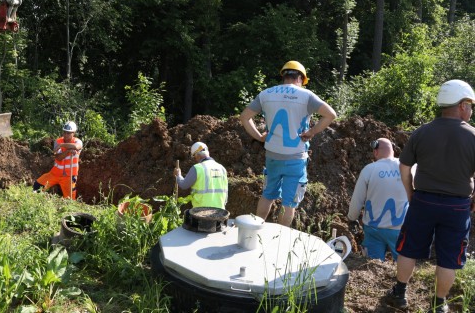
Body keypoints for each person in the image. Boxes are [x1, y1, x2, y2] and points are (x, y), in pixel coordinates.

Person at [385, 79, 475, 313]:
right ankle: (439, 304)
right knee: (448, 258)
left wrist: (411, 194)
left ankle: (400, 293)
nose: (472, 110)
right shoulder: (473, 136)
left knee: (409, 248)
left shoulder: (422, 132)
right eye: (471, 105)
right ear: (463, 105)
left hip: (423, 201)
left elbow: (404, 168)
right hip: (457, 206)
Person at [240, 60, 336, 227]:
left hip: (272, 155)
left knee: (268, 194)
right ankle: (281, 239)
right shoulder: (306, 96)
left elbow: (244, 117)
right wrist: (311, 132)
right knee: (289, 203)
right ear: (300, 78)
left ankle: (255, 230)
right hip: (295, 158)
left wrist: (258, 136)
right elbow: (331, 115)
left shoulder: (266, 94)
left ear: (283, 76)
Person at [347, 138, 408, 261]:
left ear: (375, 152)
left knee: (372, 266)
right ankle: (402, 280)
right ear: (393, 151)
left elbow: (357, 199)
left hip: (373, 229)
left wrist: (352, 218)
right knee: (404, 263)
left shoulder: (369, 169)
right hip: (400, 229)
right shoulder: (408, 167)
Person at [33, 121, 83, 200]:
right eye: (65, 132)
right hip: (55, 173)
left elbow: (77, 147)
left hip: (69, 177)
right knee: (37, 185)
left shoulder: (77, 141)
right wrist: (68, 151)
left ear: (73, 133)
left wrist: (62, 145)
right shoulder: (58, 141)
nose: (66, 135)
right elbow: (58, 157)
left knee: (70, 200)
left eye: (68, 133)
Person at [174, 142, 228, 209]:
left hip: (201, 211)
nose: (195, 159)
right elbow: (226, 191)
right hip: (220, 211)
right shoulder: (222, 168)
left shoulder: (198, 168)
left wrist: (178, 175)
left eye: (194, 156)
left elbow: (184, 185)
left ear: (198, 155)